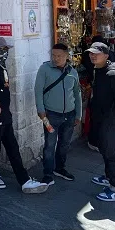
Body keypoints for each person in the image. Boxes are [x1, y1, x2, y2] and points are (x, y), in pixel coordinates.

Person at [0, 37, 46, 193]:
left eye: (6, 50)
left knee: (11, 145)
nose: (5, 53)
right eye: (2, 50)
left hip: (3, 113)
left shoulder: (1, 66)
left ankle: (24, 180)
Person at [85, 42, 115, 202]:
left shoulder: (112, 75)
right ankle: (109, 176)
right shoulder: (99, 70)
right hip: (100, 117)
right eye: (91, 53)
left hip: (110, 119)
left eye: (96, 53)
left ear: (106, 55)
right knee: (104, 149)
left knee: (111, 153)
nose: (92, 55)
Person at [34, 43, 82, 185]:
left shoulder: (73, 72)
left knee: (64, 144)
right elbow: (38, 91)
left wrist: (78, 114)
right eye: (53, 55)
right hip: (51, 115)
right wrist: (40, 110)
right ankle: (47, 174)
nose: (55, 58)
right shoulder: (44, 69)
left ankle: (60, 168)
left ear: (67, 56)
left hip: (70, 115)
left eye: (59, 56)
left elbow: (77, 94)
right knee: (49, 145)